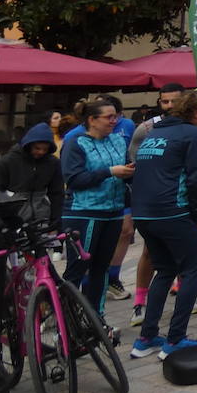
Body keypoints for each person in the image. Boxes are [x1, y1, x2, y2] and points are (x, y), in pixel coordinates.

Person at [128, 92, 197, 360]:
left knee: (165, 269)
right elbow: (196, 178)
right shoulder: (192, 134)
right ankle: (175, 339)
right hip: (172, 211)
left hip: (144, 213)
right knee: (195, 267)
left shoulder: (153, 133)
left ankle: (146, 338)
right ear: (196, 113)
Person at [59, 99, 133, 324]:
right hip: (84, 212)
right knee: (78, 268)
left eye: (116, 116)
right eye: (109, 117)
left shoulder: (118, 142)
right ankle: (68, 319)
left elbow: (126, 168)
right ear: (92, 120)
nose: (114, 121)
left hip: (113, 211)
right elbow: (74, 179)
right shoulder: (76, 143)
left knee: (102, 268)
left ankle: (96, 319)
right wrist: (110, 171)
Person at [0, 121, 65, 225]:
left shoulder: (53, 163)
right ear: (28, 145)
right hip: (13, 221)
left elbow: (57, 193)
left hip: (42, 219)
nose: (41, 152)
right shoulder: (6, 163)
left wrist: (55, 221)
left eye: (45, 149)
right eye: (37, 148)